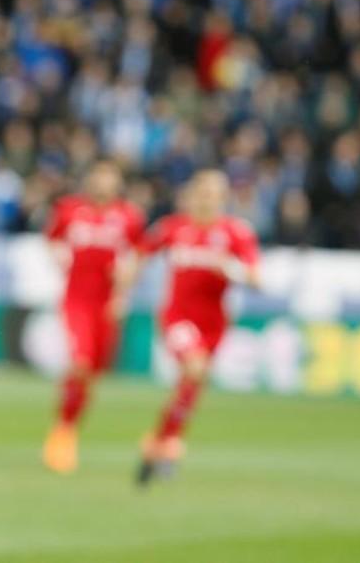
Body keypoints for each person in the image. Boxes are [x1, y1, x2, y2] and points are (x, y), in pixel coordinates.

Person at [132, 169, 261, 486]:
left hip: (214, 323)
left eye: (213, 193)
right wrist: (123, 287)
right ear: (192, 195)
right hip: (177, 317)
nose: (206, 198)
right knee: (194, 369)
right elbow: (140, 254)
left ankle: (160, 442)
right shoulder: (173, 228)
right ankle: (170, 445)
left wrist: (230, 268)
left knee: (192, 385)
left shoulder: (236, 232)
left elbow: (257, 279)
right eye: (201, 192)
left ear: (223, 198)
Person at [41, 160, 145, 474]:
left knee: (91, 373)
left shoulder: (129, 216)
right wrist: (58, 254)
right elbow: (52, 238)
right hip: (76, 301)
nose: (102, 182)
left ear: (117, 183)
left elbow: (138, 254)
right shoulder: (70, 209)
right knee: (81, 362)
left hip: (106, 304)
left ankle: (69, 421)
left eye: (109, 177)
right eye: (98, 176)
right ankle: (63, 433)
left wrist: (124, 290)